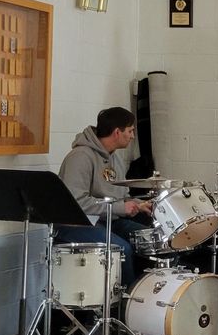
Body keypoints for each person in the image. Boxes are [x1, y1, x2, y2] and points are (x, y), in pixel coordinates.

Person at [57, 107, 152, 286]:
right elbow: (76, 203)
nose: (132, 136)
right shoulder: (80, 157)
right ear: (117, 132)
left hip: (108, 220)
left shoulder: (114, 158)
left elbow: (121, 195)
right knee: (121, 249)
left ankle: (145, 299)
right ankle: (123, 304)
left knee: (148, 240)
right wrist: (119, 208)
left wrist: (139, 204)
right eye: (130, 131)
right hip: (77, 224)